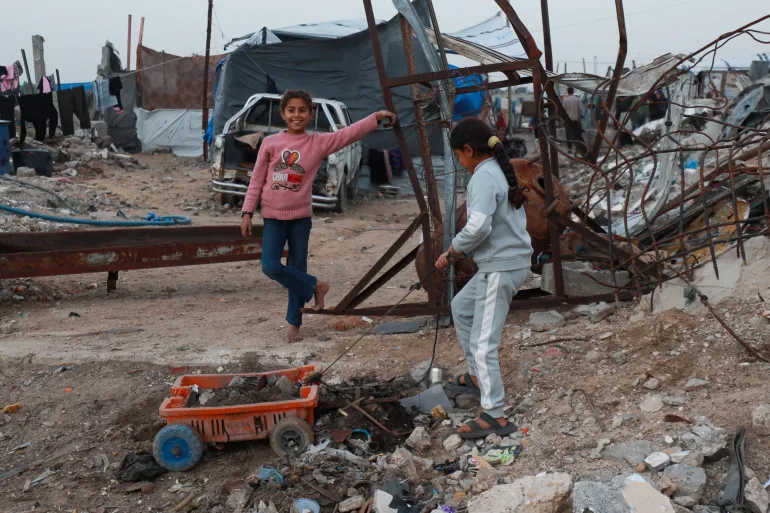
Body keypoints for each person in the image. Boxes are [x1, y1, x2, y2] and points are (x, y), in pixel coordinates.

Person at [240, 90, 396, 342]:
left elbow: (348, 134)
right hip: (273, 217)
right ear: (283, 114)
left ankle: (294, 323)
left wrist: (374, 118)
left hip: (301, 218)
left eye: (302, 110)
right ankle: (315, 286)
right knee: (270, 266)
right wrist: (247, 212)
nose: (297, 115)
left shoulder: (318, 142)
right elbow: (257, 179)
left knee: (296, 268)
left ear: (310, 114)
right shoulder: (270, 143)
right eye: (291, 110)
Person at [436, 117, 534, 439]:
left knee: (483, 344)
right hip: (501, 263)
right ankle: (479, 377)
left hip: (500, 267)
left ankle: (495, 414)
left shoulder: (482, 178)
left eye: (459, 156)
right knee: (461, 308)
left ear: (468, 150)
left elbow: (478, 226)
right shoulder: (497, 172)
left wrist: (452, 252)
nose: (460, 163)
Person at [562, 87, 583, 155]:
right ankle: (577, 148)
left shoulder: (565, 100)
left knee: (568, 134)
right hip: (576, 120)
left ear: (568, 92)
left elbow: (563, 110)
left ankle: (569, 149)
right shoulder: (577, 99)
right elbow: (580, 110)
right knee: (577, 134)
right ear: (573, 92)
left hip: (568, 120)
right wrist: (580, 117)